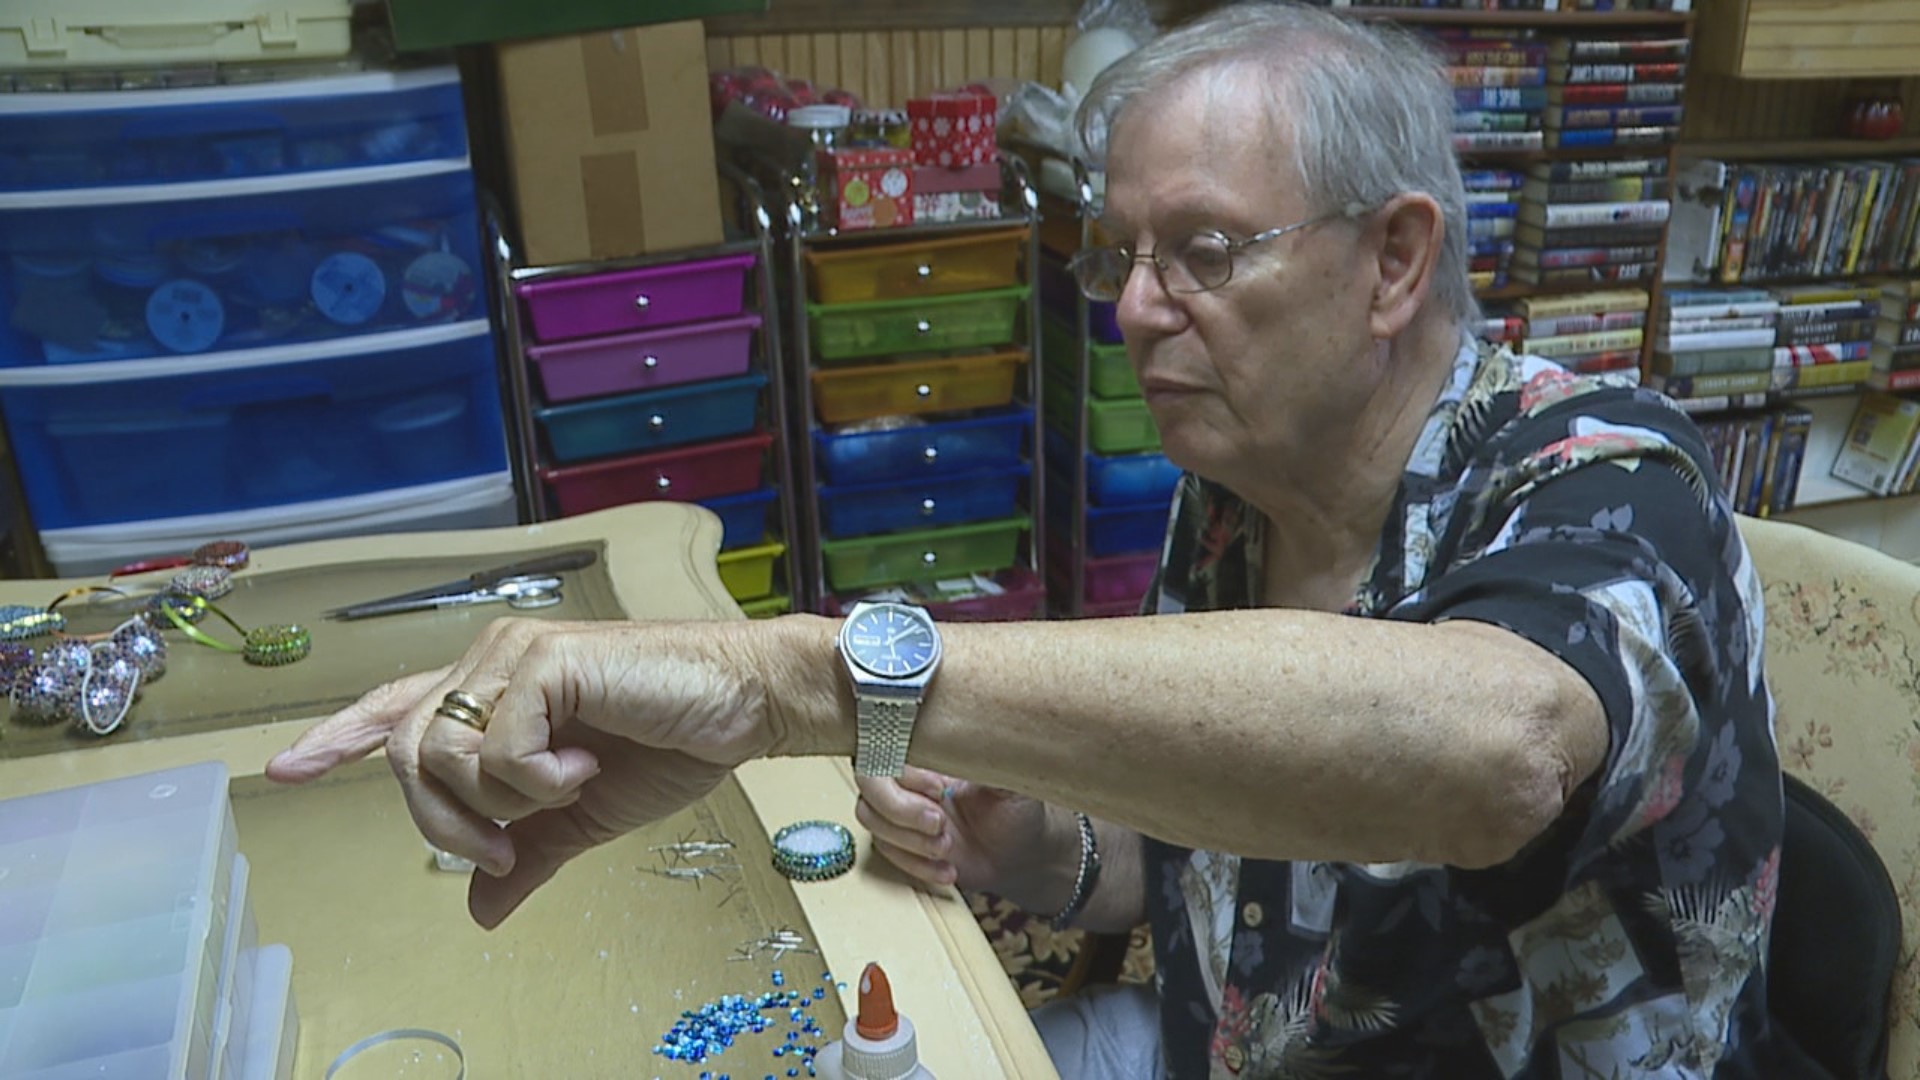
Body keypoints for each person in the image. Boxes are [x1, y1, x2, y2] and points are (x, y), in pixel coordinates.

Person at [267, 4, 1784, 1077]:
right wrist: (1046, 849)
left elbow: (1493, 750)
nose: (1129, 308)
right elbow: (1201, 868)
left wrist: (803, 682)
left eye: (1200, 250)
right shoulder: (1245, 482)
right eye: (1119, 249)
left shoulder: (1613, 473)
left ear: (1394, 260)